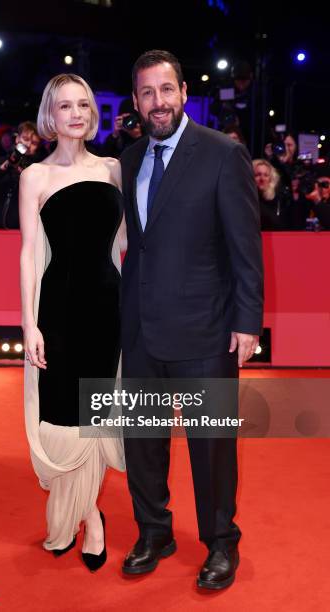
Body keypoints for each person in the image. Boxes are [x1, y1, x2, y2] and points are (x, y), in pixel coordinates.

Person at [120, 50, 263, 589]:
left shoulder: (224, 155)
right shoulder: (130, 159)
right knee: (142, 440)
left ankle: (221, 542)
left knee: (211, 446)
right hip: (139, 326)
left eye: (166, 90)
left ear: (183, 93)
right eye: (147, 93)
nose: (158, 102)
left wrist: (247, 322)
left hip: (207, 327)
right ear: (136, 101)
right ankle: (154, 531)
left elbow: (245, 248)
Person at [19, 73, 125, 572]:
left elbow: (124, 246)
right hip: (57, 310)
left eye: (84, 104)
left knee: (96, 416)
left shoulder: (111, 169)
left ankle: (93, 521)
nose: (76, 113)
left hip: (106, 307)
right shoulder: (34, 177)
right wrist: (28, 324)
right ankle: (78, 515)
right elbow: (26, 254)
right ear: (51, 115)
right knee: (64, 417)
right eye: (65, 106)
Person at [253, 158, 291, 230]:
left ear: (271, 178)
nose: (262, 179)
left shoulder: (278, 200)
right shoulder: (247, 201)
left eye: (266, 175)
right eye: (258, 175)